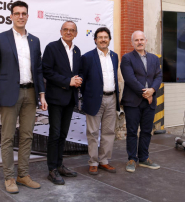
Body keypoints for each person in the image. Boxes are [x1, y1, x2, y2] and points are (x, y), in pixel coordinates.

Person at [0, 0, 48, 194]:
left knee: (27, 136)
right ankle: (9, 177)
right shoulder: (0, 38)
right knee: (7, 137)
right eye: (17, 13)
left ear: (28, 16)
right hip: (8, 94)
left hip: (31, 93)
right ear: (11, 16)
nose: (21, 16)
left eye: (24, 13)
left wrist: (42, 94)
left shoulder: (35, 40)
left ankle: (23, 174)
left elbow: (38, 70)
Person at [42, 21, 82, 185]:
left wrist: (78, 80)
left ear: (76, 33)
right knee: (55, 134)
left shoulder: (77, 51)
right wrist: (68, 81)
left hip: (70, 98)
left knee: (63, 134)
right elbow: (47, 71)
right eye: (65, 29)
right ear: (61, 31)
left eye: (72, 30)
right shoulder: (52, 47)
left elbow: (76, 73)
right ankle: (52, 169)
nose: (68, 32)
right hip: (56, 98)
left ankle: (59, 165)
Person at [120, 31, 162, 173]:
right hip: (132, 102)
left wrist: (152, 90)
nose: (139, 42)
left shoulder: (154, 59)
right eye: (136, 40)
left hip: (149, 101)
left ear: (146, 40)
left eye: (141, 39)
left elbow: (158, 76)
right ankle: (132, 159)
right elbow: (130, 79)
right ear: (132, 43)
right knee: (132, 131)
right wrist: (146, 93)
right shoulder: (127, 58)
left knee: (146, 131)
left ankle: (144, 158)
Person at [81, 27, 120, 175]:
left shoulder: (115, 56)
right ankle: (93, 162)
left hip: (112, 98)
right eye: (100, 37)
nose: (103, 39)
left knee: (109, 132)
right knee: (92, 132)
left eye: (106, 37)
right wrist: (88, 97)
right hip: (94, 99)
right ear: (95, 40)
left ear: (109, 39)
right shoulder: (88, 57)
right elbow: (83, 82)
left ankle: (104, 161)